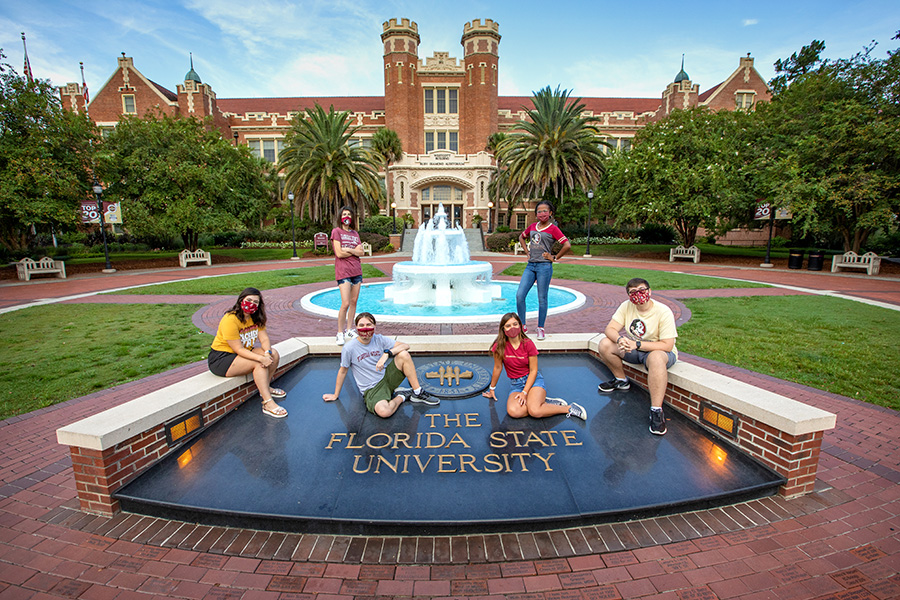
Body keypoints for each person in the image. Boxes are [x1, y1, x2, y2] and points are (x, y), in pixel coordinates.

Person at [596, 278, 678, 435]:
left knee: (655, 358)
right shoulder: (626, 307)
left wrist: (638, 345)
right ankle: (621, 381)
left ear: (649, 291)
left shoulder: (663, 311)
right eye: (633, 292)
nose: (638, 295)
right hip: (635, 349)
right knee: (605, 344)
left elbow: (667, 345)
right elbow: (610, 329)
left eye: (641, 290)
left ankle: (656, 410)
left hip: (660, 352)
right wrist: (621, 340)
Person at [323, 312, 437, 418]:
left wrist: (387, 353)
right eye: (361, 325)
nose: (365, 328)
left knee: (404, 354)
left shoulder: (379, 339)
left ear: (374, 326)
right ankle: (402, 396)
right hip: (372, 389)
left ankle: (418, 392)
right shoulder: (349, 348)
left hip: (387, 379)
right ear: (356, 328)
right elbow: (343, 371)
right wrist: (335, 394)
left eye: (368, 324)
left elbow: (405, 345)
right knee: (384, 412)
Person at [482, 313, 586, 420]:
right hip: (516, 384)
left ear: (520, 326)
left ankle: (568, 408)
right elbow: (498, 368)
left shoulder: (528, 344)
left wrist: (525, 392)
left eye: (515, 324)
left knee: (535, 411)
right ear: (503, 329)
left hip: (533, 381)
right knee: (514, 412)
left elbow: (533, 370)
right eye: (508, 326)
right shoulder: (499, 347)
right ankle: (541, 403)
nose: (512, 328)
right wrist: (492, 389)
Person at [208, 287, 287, 419]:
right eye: (248, 300)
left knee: (274, 354)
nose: (251, 304)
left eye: (255, 302)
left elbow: (264, 339)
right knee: (258, 363)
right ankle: (267, 403)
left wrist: (267, 353)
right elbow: (238, 349)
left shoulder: (256, 318)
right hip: (222, 358)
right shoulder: (230, 319)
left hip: (242, 353)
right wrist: (261, 359)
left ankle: (265, 389)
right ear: (241, 301)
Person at [516, 200, 571, 341]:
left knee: (542, 298)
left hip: (544, 267)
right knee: (520, 295)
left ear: (550, 213)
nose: (542, 213)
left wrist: (554, 257)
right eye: (539, 211)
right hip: (531, 266)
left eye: (545, 211)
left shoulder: (553, 229)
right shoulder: (533, 226)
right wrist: (527, 251)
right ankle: (522, 326)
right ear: (536, 214)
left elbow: (566, 245)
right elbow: (521, 237)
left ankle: (540, 328)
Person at [331, 205, 365, 346]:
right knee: (345, 303)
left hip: (356, 271)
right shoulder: (336, 232)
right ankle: (340, 332)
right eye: (344, 214)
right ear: (340, 216)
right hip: (344, 272)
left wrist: (348, 249)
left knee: (353, 302)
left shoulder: (355, 234)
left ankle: (349, 329)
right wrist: (354, 251)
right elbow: (339, 253)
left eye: (349, 215)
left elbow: (361, 252)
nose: (347, 217)